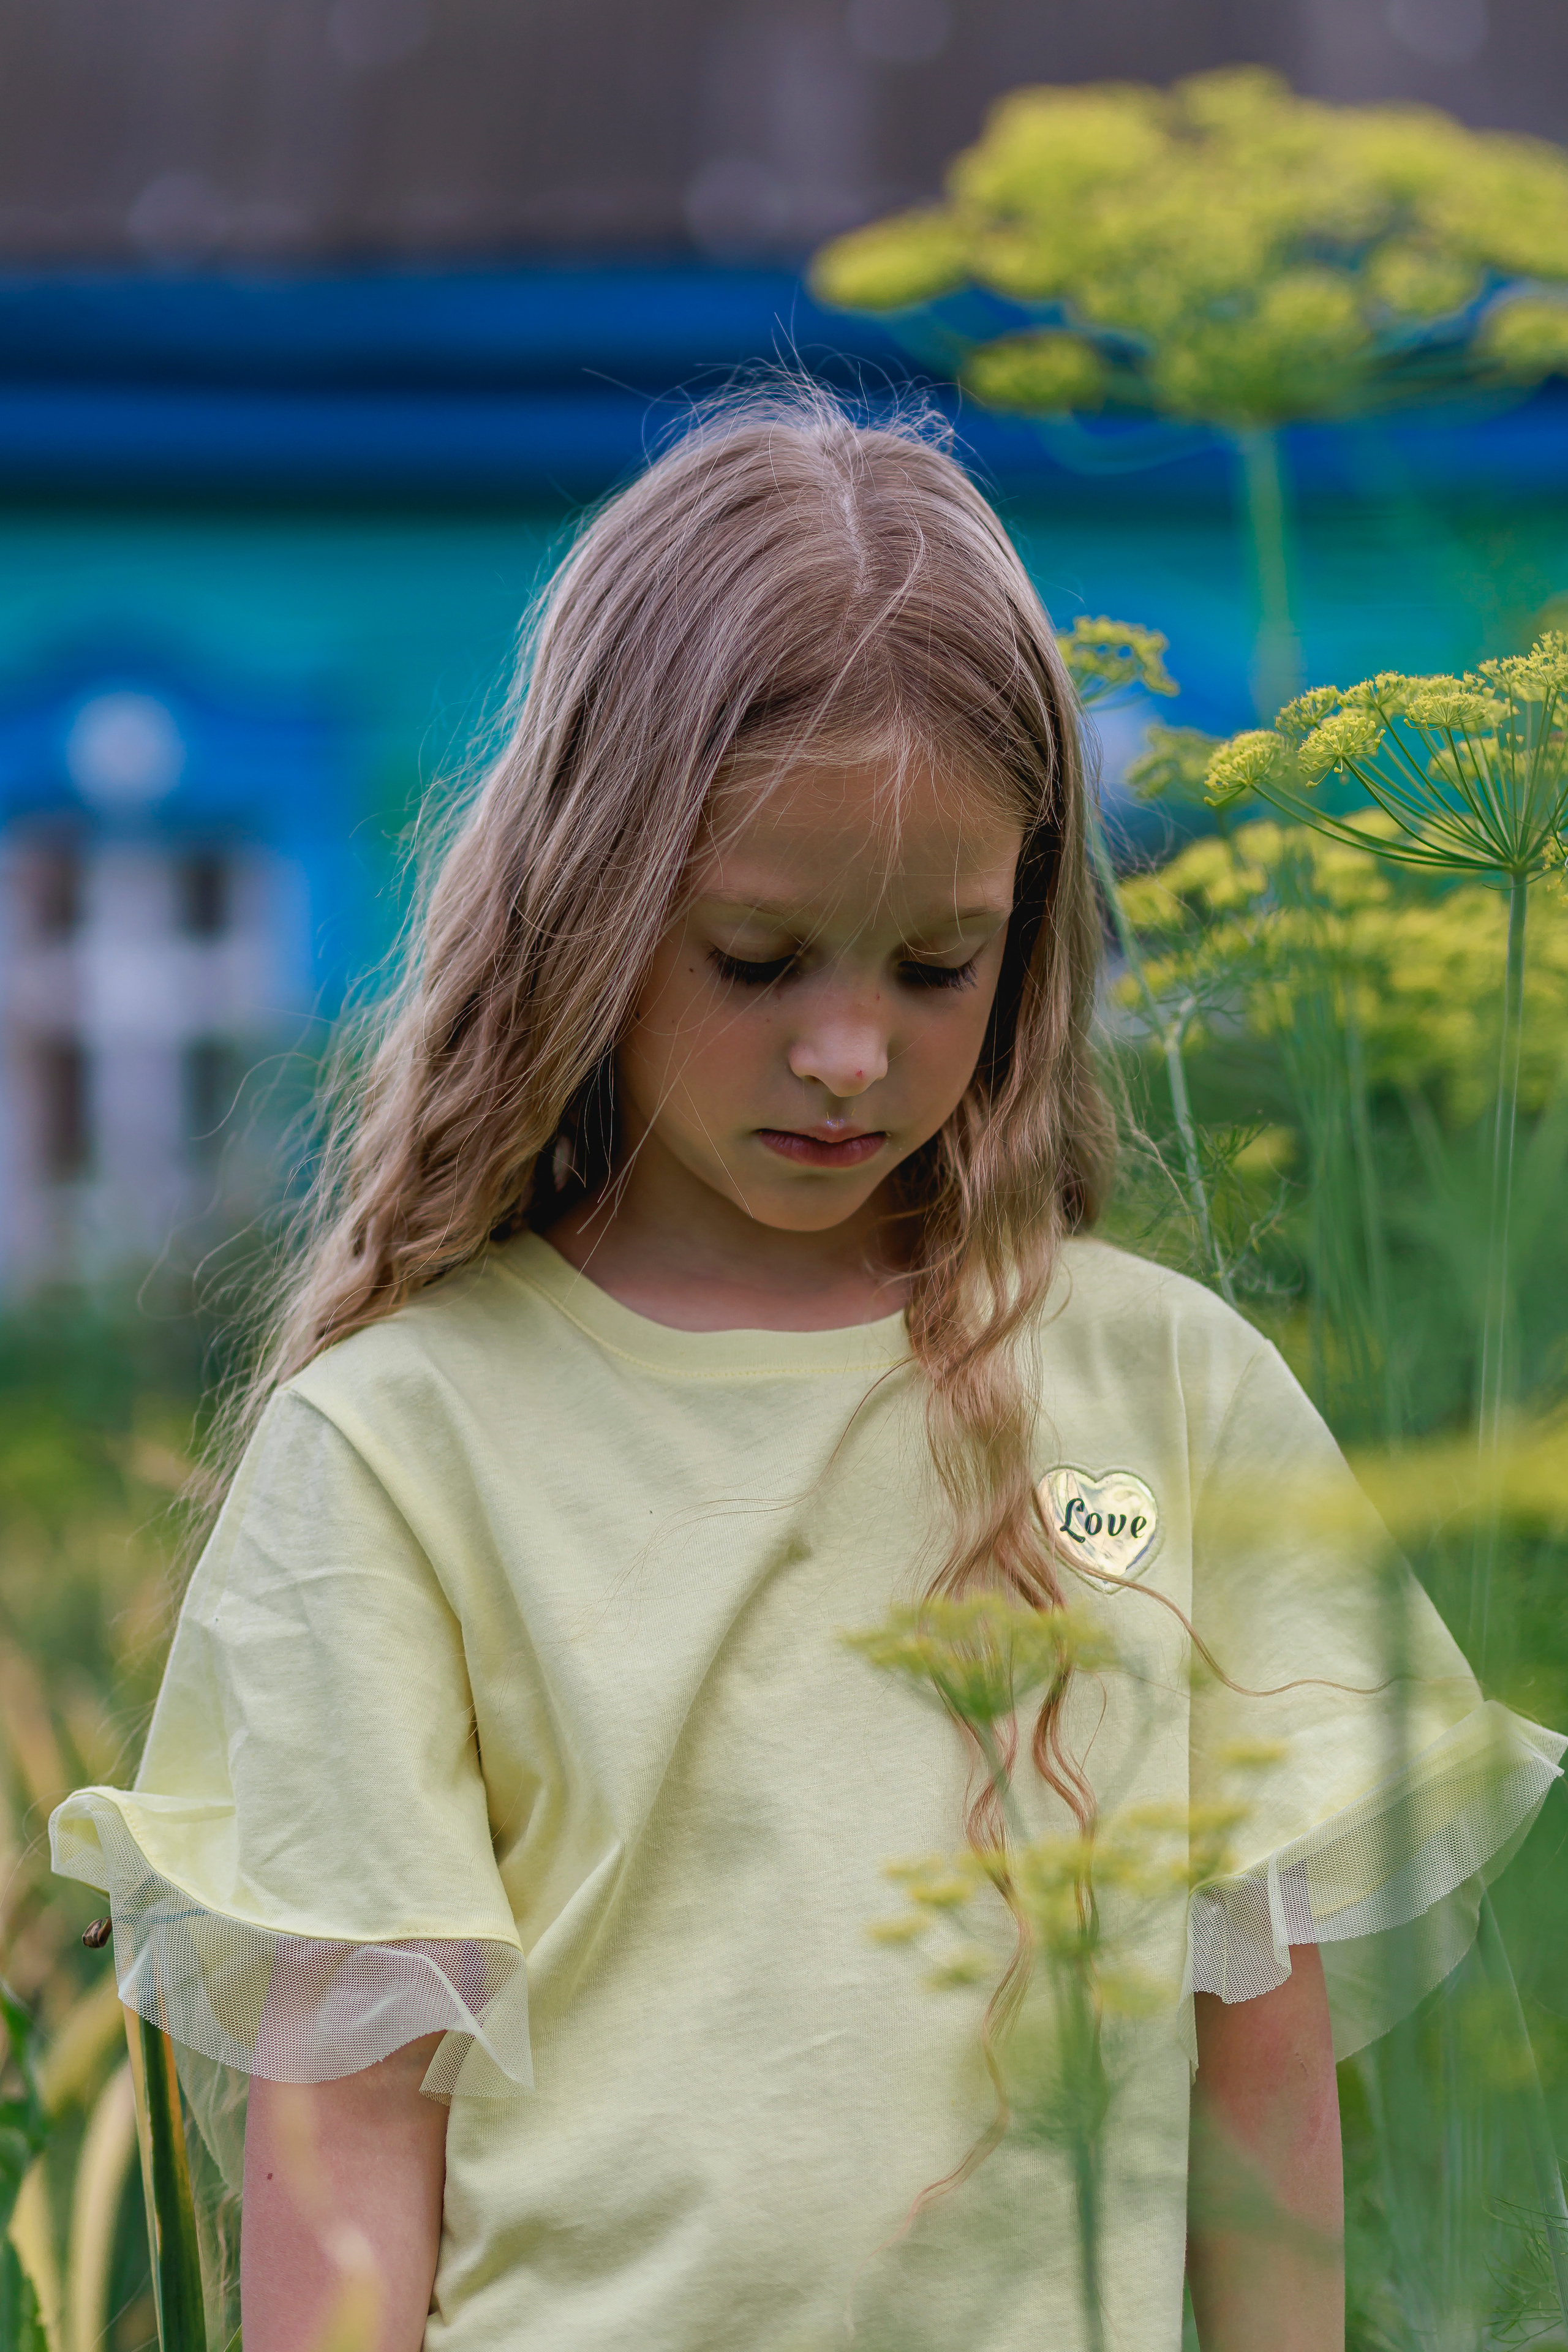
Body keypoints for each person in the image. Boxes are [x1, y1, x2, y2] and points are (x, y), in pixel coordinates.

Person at [52, 391, 1563, 2352]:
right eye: (760, 961)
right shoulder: (402, 1443)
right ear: (587, 916)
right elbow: (343, 2138)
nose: (851, 1056)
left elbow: (1257, 2071)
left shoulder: (1171, 1393)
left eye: (935, 966)